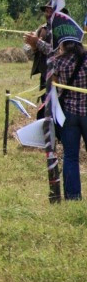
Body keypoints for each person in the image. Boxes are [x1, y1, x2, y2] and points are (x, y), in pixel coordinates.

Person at [51, 18, 87, 201]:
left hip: (69, 114)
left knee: (71, 156)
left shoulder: (59, 62)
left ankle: (73, 197)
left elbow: (53, 83)